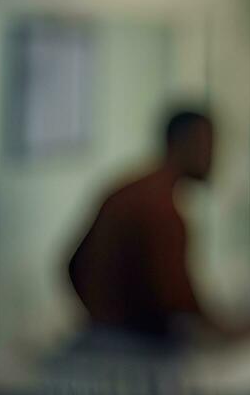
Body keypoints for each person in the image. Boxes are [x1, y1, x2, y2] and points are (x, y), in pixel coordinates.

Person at [67, 108, 233, 341]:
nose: (214, 157)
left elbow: (73, 266)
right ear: (185, 144)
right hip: (133, 350)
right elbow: (177, 299)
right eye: (208, 145)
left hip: (107, 338)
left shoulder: (130, 190)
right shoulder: (161, 209)